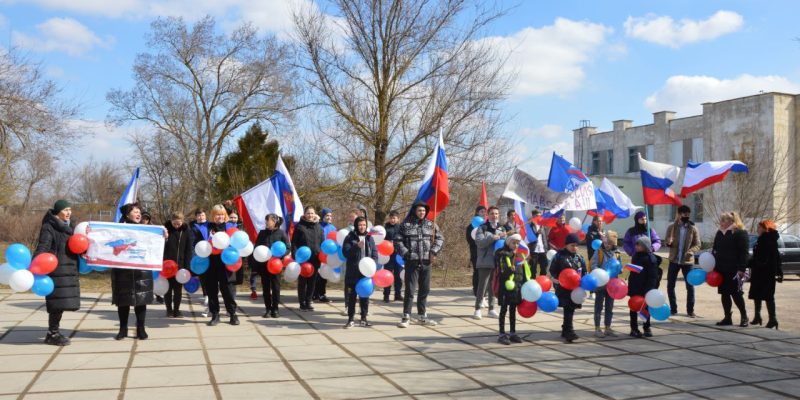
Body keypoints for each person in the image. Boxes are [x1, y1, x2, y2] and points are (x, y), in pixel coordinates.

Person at [35, 199, 80, 346]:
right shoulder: (49, 226)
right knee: (56, 304)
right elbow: (44, 246)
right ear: (58, 211)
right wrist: (36, 264)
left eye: (70, 210)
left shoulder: (70, 226)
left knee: (60, 303)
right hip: (56, 270)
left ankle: (53, 332)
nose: (69, 213)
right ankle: (52, 334)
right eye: (66, 210)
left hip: (68, 268)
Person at [394, 201, 444, 328]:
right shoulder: (405, 225)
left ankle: (422, 315)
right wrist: (406, 254)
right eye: (419, 210)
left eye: (423, 211)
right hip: (412, 262)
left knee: (425, 289)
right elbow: (397, 240)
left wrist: (433, 251)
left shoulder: (431, 224)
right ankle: (406, 316)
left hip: (427, 261)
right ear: (415, 211)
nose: (421, 213)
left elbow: (440, 238)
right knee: (410, 290)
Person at [112, 203, 155, 340]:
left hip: (141, 271)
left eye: (139, 212)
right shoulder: (118, 230)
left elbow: (155, 245)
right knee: (123, 300)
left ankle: (140, 329)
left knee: (141, 299)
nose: (138, 214)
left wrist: (164, 236)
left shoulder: (146, 230)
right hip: (122, 271)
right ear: (126, 214)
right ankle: (122, 329)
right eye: (135, 211)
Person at [712, 212, 750, 327]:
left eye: (723, 220)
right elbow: (715, 249)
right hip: (721, 269)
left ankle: (744, 317)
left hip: (734, 269)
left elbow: (744, 253)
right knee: (724, 294)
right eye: (721, 220)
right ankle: (727, 317)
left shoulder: (740, 233)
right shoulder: (719, 233)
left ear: (731, 221)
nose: (721, 222)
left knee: (736, 294)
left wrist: (742, 268)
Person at [250, 214, 290, 318]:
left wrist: (281, 255)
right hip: (264, 265)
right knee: (266, 288)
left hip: (276, 265)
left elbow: (288, 248)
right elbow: (256, 247)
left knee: (276, 288)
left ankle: (275, 309)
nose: (267, 222)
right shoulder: (262, 233)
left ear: (275, 222)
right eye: (266, 220)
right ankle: (268, 309)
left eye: (269, 220)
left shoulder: (281, 233)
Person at [664, 205, 701, 317]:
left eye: (688, 214)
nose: (686, 216)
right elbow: (667, 242)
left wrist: (691, 251)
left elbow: (698, 244)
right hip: (674, 260)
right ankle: (673, 309)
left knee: (690, 286)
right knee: (670, 286)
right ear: (679, 214)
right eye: (684, 214)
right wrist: (668, 242)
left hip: (687, 262)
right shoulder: (672, 227)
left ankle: (690, 310)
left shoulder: (693, 228)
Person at [206, 204, 239, 326]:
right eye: (217, 214)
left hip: (226, 263)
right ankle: (215, 315)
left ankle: (233, 314)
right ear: (213, 216)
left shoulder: (231, 227)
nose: (219, 217)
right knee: (212, 290)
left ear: (225, 215)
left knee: (228, 290)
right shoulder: (208, 227)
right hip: (211, 263)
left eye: (221, 214)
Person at [342, 217, 378, 328]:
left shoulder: (369, 238)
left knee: (365, 296)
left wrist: (373, 264)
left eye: (364, 225)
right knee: (352, 296)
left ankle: (363, 318)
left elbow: (375, 253)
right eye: (360, 225)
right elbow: (346, 253)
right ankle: (350, 319)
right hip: (353, 271)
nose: (362, 227)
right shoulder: (349, 237)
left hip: (366, 273)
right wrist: (356, 246)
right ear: (356, 226)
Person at [549, 233, 585, 343]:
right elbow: (552, 270)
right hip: (563, 287)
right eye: (572, 245)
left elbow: (584, 271)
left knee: (571, 308)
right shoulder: (559, 256)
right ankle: (569, 331)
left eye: (576, 245)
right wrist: (558, 280)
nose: (575, 248)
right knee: (568, 307)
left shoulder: (579, 257)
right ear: (566, 245)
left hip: (576, 288)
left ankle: (565, 329)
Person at [495, 234, 531, 345]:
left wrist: (525, 283)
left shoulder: (520, 256)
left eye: (517, 243)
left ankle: (512, 333)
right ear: (508, 243)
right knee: (504, 310)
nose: (515, 245)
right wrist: (510, 270)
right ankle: (501, 334)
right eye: (513, 243)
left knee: (513, 310)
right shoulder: (503, 255)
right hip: (505, 287)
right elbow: (501, 271)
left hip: (516, 287)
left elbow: (523, 272)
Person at [748, 220, 782, 329]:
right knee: (757, 294)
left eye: (759, 227)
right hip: (760, 272)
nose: (757, 229)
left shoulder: (766, 240)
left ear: (765, 228)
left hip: (765, 273)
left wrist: (750, 263)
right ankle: (757, 316)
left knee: (768, 296)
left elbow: (763, 258)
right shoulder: (764, 239)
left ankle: (773, 319)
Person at [473, 206, 505, 319]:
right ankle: (477, 309)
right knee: (483, 285)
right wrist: (493, 237)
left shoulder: (502, 228)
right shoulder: (482, 227)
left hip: (497, 262)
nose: (494, 216)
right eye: (492, 213)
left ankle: (491, 309)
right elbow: (480, 243)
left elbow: (504, 244)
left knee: (493, 286)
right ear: (488, 215)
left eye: (496, 214)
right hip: (485, 261)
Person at [292, 206, 324, 311]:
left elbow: (322, 243)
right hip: (303, 260)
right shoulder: (299, 227)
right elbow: (294, 243)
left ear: (315, 214)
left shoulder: (319, 227)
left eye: (312, 213)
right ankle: (302, 303)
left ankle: (308, 301)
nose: (310, 215)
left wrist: (322, 255)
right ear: (304, 214)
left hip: (315, 258)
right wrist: (295, 255)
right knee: (302, 282)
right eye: (308, 213)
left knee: (312, 282)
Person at [628, 236, 661, 338]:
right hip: (635, 287)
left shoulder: (651, 259)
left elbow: (653, 276)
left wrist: (649, 289)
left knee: (645, 308)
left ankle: (647, 327)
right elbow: (633, 273)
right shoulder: (635, 256)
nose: (636, 246)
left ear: (645, 246)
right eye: (636, 244)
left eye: (638, 244)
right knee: (633, 308)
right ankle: (634, 329)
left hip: (646, 288)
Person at [163, 212, 194, 318]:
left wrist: (187, 266)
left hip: (180, 266)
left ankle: (177, 310)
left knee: (178, 290)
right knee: (167, 289)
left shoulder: (186, 231)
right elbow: (160, 246)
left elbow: (189, 249)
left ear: (182, 221)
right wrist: (166, 238)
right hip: (167, 266)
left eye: (178, 223)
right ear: (171, 221)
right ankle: (169, 310)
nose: (176, 225)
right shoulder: (165, 229)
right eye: (174, 223)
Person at [590, 231, 620, 338]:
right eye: (606, 243)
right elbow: (593, 266)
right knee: (598, 307)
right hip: (601, 284)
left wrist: (618, 272)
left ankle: (608, 327)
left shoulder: (616, 253)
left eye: (610, 244)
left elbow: (617, 267)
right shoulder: (599, 252)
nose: (608, 245)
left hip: (612, 285)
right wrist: (601, 274)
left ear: (614, 244)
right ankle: (597, 328)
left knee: (609, 307)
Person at [190, 209, 211, 317]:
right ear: (196, 217)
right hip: (201, 257)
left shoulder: (211, 225)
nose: (201, 217)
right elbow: (192, 244)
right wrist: (195, 257)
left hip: (213, 256)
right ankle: (207, 301)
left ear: (205, 215)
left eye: (202, 214)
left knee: (213, 282)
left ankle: (211, 305)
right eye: (198, 215)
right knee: (204, 279)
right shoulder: (193, 228)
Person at [314, 208, 336, 303]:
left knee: (324, 275)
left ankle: (322, 294)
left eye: (330, 216)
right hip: (318, 253)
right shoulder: (318, 226)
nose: (329, 217)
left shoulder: (333, 228)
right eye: (327, 215)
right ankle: (314, 294)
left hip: (328, 255)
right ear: (323, 216)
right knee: (316, 275)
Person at [383, 210, 404, 303]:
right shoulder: (385, 228)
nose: (392, 219)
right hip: (388, 256)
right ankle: (386, 295)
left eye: (394, 218)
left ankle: (398, 295)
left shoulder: (401, 228)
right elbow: (381, 240)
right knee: (387, 275)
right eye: (391, 218)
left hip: (398, 255)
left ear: (398, 219)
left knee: (398, 276)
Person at [466, 206, 487, 296]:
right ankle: (476, 290)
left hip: (486, 252)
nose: (483, 213)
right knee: (477, 271)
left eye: (485, 212)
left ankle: (484, 290)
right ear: (477, 212)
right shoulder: (470, 226)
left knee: (485, 272)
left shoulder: (486, 225)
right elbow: (469, 240)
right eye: (481, 211)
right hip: (475, 252)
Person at [527, 209, 549, 277]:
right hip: (534, 249)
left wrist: (546, 248)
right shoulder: (529, 226)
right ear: (533, 216)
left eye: (540, 216)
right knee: (533, 268)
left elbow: (544, 238)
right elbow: (529, 238)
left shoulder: (542, 225)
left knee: (544, 267)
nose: (539, 217)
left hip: (542, 249)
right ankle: (532, 282)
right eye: (537, 216)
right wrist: (537, 233)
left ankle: (542, 282)